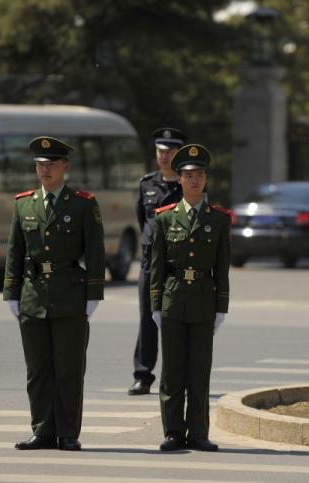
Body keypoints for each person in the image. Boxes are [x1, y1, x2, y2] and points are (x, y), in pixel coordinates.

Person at [3, 136, 105, 451]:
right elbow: (14, 250)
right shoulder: (24, 203)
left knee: (69, 369)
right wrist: (12, 291)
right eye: (40, 164)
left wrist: (93, 295)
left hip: (70, 294)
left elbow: (96, 252)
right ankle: (43, 430)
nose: (45, 170)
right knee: (38, 370)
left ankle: (68, 433)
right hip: (34, 295)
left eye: (51, 164)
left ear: (65, 167)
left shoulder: (83, 203)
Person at [150, 144, 231, 452]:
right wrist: (156, 304)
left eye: (199, 175)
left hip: (202, 301)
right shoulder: (164, 219)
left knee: (199, 371)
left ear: (206, 180)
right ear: (179, 180)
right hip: (173, 300)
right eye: (189, 176)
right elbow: (157, 266)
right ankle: (173, 432)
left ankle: (198, 432)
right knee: (172, 372)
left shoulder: (219, 220)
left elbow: (222, 268)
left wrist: (221, 307)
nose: (195, 181)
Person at [128, 127, 186, 396]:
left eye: (170, 151)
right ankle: (143, 375)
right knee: (147, 320)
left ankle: (177, 375)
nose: (164, 157)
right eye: (161, 151)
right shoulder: (147, 184)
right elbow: (144, 222)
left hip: (176, 264)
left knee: (175, 321)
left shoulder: (189, 183)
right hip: (151, 264)